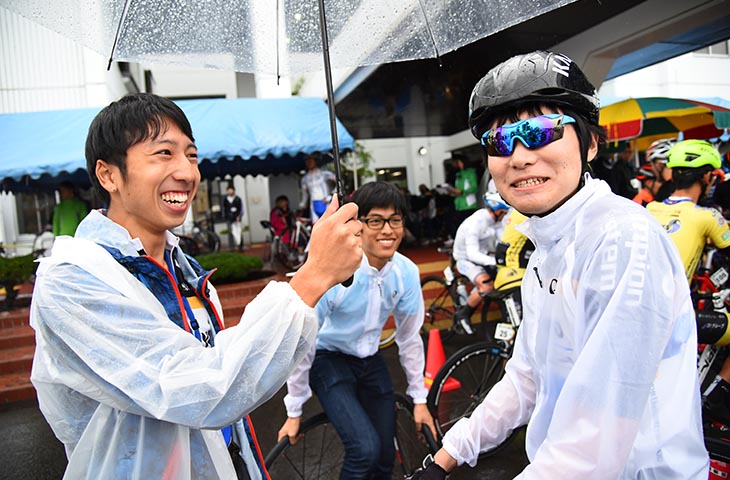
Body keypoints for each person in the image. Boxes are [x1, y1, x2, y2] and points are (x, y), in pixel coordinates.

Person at [29, 92, 363, 480]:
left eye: (191, 155)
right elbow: (198, 388)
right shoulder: (72, 280)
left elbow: (231, 401)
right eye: (164, 154)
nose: (187, 173)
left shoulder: (184, 269)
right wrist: (313, 275)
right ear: (109, 175)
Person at [411, 50, 708, 479]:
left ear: (589, 143)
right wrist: (444, 457)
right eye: (497, 141)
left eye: (538, 131)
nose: (518, 155)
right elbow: (527, 378)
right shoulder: (547, 249)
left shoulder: (622, 239)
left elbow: (595, 438)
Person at [278, 181, 436, 479]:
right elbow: (304, 343)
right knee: (364, 450)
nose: (387, 230)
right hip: (329, 361)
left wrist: (420, 400)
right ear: (358, 225)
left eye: (395, 220)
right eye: (375, 220)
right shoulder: (337, 272)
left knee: (385, 456)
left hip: (370, 359)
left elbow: (409, 337)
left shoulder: (406, 273)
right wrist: (294, 409)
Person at [646, 140, 730, 424]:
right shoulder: (707, 216)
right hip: (674, 320)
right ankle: (716, 396)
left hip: (641, 318)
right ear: (706, 176)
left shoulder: (648, 209)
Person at [451, 192, 510, 334]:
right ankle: (464, 314)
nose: (504, 216)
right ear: (496, 211)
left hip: (482, 256)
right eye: (504, 213)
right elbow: (472, 254)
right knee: (487, 286)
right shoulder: (475, 223)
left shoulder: (494, 221)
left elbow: (503, 239)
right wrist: (495, 261)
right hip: (464, 259)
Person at [446, 156, 479, 240]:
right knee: (460, 225)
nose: (458, 164)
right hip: (459, 204)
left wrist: (462, 191)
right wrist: (452, 192)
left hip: (469, 204)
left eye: (459, 162)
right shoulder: (458, 174)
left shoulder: (471, 172)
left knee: (470, 225)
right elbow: (458, 188)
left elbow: (474, 187)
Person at [299, 153, 336, 223]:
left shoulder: (325, 174)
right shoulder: (304, 179)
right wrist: (302, 206)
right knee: (316, 226)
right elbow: (305, 195)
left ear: (315, 161)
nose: (309, 162)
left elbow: (339, 182)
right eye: (307, 161)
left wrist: (330, 196)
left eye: (311, 160)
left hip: (325, 202)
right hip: (314, 204)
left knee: (329, 224)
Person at [646, 138, 676, 202]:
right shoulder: (686, 183)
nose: (652, 169)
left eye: (651, 165)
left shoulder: (666, 190)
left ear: (658, 164)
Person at [222, 185, 244, 251]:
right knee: (230, 232)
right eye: (228, 190)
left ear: (234, 190)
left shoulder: (238, 199)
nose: (230, 191)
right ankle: (232, 247)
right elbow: (223, 209)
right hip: (229, 218)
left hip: (237, 217)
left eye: (231, 190)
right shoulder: (225, 199)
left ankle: (240, 246)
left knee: (238, 231)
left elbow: (241, 209)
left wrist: (239, 216)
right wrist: (224, 216)